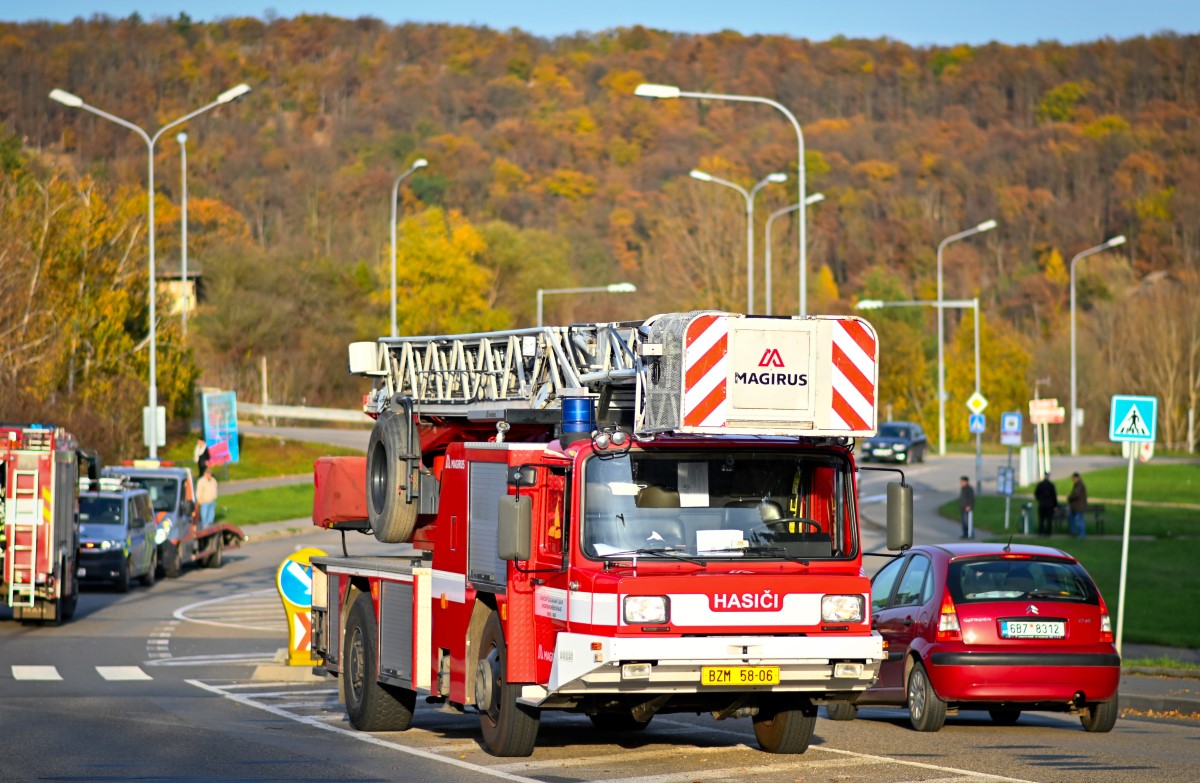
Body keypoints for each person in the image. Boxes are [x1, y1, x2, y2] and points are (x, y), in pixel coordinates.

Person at [1034, 472, 1058, 536]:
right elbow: (1054, 496)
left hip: (1042, 504)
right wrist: (1055, 505)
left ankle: (1040, 532)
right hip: (1050, 505)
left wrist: (1039, 500)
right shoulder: (1051, 485)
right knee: (1049, 520)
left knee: (1041, 519)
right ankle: (1048, 533)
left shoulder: (1040, 485)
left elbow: (1036, 493)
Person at [1067, 472, 1088, 538]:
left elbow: (1076, 494)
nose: (1073, 479)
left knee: (1079, 521)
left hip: (1079, 507)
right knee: (1073, 519)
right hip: (1076, 507)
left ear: (1077, 478)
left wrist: (1069, 496)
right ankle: (1074, 532)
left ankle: (1081, 535)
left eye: (1074, 478)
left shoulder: (1079, 485)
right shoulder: (1077, 484)